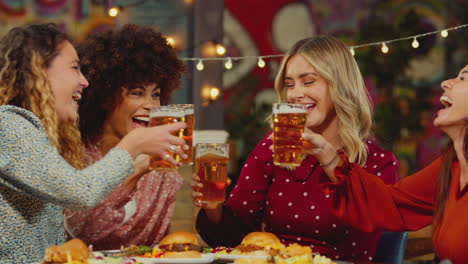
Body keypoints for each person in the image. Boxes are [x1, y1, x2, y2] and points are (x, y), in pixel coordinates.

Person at [192, 36, 398, 261]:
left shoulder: (378, 163)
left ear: (340, 85)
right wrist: (214, 209)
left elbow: (360, 251)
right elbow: (233, 240)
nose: (295, 94)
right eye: (289, 84)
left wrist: (329, 159)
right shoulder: (271, 148)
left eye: (308, 82)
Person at [0, 23, 187, 263]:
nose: (85, 81)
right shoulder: (9, 124)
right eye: (75, 68)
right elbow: (80, 192)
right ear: (39, 71)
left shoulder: (34, 133)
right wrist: (133, 146)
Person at [304, 64, 468, 264]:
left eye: (463, 78)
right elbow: (392, 204)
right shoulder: (451, 165)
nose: (446, 83)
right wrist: (328, 155)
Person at [64, 24, 185, 250]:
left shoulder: (162, 169)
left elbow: (159, 245)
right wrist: (134, 175)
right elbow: (81, 233)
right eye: (137, 93)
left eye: (156, 94)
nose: (150, 105)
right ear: (105, 96)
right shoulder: (76, 158)